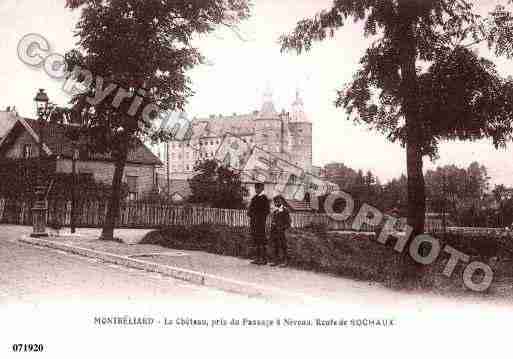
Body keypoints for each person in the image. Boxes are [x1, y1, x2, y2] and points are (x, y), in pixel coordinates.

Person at [247, 183, 270, 265]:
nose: (256, 189)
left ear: (262, 188)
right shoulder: (254, 198)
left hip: (260, 223)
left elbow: (267, 211)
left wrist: (259, 217)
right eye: (255, 188)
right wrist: (251, 214)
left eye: (258, 188)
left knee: (262, 240)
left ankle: (263, 259)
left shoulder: (265, 199)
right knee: (255, 240)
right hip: (254, 222)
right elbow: (250, 210)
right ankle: (257, 258)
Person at [269, 195, 291, 267]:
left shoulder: (285, 210)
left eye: (278, 201)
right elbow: (273, 221)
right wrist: (273, 226)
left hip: (282, 231)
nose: (277, 203)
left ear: (281, 201)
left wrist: (282, 228)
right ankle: (276, 261)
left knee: (283, 246)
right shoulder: (275, 211)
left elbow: (288, 222)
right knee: (276, 246)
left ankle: (285, 261)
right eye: (275, 202)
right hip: (275, 231)